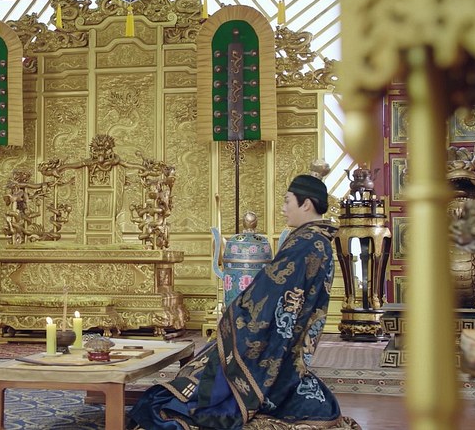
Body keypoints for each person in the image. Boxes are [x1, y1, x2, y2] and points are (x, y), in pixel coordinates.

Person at [128, 175, 359, 429]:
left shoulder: (304, 244)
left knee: (179, 396)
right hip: (291, 348)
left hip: (273, 346)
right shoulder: (318, 241)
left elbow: (270, 294)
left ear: (306, 204)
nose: (283, 208)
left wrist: (236, 314)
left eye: (287, 201)